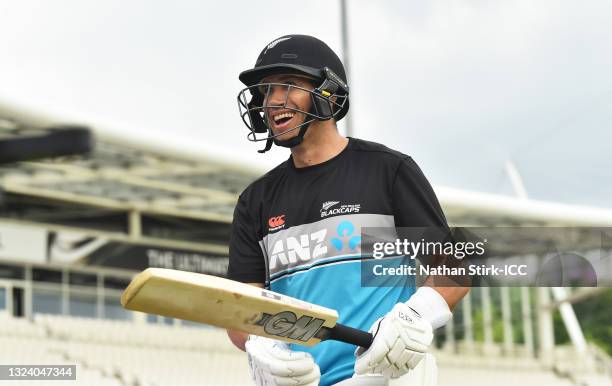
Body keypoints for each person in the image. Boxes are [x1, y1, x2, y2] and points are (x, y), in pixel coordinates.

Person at [227, 34, 468, 386]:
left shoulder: (387, 170)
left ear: (329, 93)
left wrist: (414, 317)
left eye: (288, 85)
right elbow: (238, 313)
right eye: (265, 91)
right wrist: (259, 345)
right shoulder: (255, 200)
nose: (272, 101)